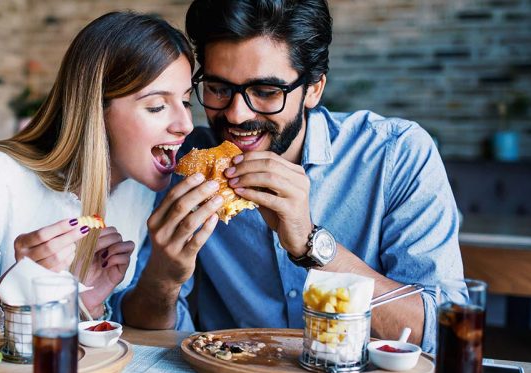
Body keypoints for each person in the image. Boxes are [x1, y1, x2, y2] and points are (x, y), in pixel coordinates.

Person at [112, 0, 463, 353]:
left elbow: (446, 333)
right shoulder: (183, 163)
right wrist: (164, 278)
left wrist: (312, 245)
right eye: (218, 89)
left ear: (313, 88)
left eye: (265, 92)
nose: (236, 115)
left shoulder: (396, 154)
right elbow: (143, 331)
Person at [0, 11, 195, 352]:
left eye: (187, 101)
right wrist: (13, 293)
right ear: (94, 109)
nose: (186, 124)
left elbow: (68, 344)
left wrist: (89, 303)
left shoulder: (138, 193)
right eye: (158, 106)